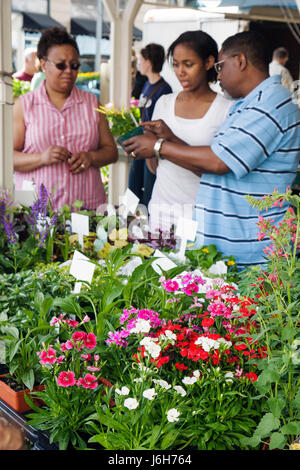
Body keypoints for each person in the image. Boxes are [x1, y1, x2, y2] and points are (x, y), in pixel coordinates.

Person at [123, 31, 300, 269]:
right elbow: (218, 159)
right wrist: (170, 140)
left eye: (220, 66)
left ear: (240, 61)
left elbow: (218, 161)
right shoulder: (253, 104)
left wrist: (159, 146)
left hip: (253, 253)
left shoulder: (266, 106)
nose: (218, 75)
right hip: (236, 246)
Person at [13, 27, 118, 211]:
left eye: (75, 65)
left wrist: (91, 157)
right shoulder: (25, 105)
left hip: (86, 209)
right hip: (39, 213)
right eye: (61, 65)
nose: (69, 71)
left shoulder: (92, 103)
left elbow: (111, 152)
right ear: (44, 64)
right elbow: (8, 157)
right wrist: (41, 158)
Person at [143, 30, 233, 230]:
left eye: (188, 64)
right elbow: (156, 168)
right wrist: (147, 146)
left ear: (209, 62)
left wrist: (163, 143)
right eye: (175, 64)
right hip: (160, 214)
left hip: (200, 219)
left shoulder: (225, 109)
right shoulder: (164, 103)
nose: (180, 72)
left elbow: (217, 172)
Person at [128, 43, 172, 208]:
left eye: (141, 60)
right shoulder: (146, 85)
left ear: (149, 62)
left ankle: (146, 228)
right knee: (133, 186)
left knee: (148, 189)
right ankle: (131, 222)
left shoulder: (164, 90)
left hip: (152, 149)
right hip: (140, 143)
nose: (139, 63)